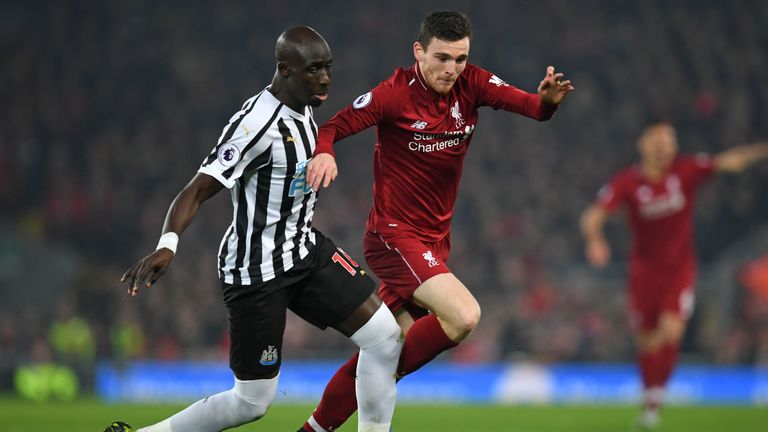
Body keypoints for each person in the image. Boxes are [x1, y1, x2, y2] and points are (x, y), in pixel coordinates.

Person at [107, 26, 403, 432]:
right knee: (251, 402)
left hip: (303, 250)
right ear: (284, 70)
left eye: (328, 68)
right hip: (256, 271)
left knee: (385, 337)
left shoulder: (304, 104)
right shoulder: (255, 127)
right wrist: (168, 245)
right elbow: (195, 190)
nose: (325, 78)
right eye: (314, 69)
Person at [298, 10, 573, 432]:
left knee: (382, 347)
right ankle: (383, 376)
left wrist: (549, 102)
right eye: (443, 58)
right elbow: (332, 125)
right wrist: (324, 152)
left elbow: (534, 108)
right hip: (392, 237)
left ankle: (314, 428)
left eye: (460, 58)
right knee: (463, 316)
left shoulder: (473, 83)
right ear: (419, 51)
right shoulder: (393, 93)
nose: (452, 69)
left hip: (432, 244)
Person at [580, 122, 768, 429]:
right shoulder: (627, 182)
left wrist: (762, 149)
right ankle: (650, 396)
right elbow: (593, 215)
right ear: (644, 144)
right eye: (660, 140)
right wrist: (595, 239)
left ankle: (654, 403)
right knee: (648, 343)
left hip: (679, 269)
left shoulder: (686, 171)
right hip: (643, 272)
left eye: (671, 141)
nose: (667, 146)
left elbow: (730, 161)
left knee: (671, 332)